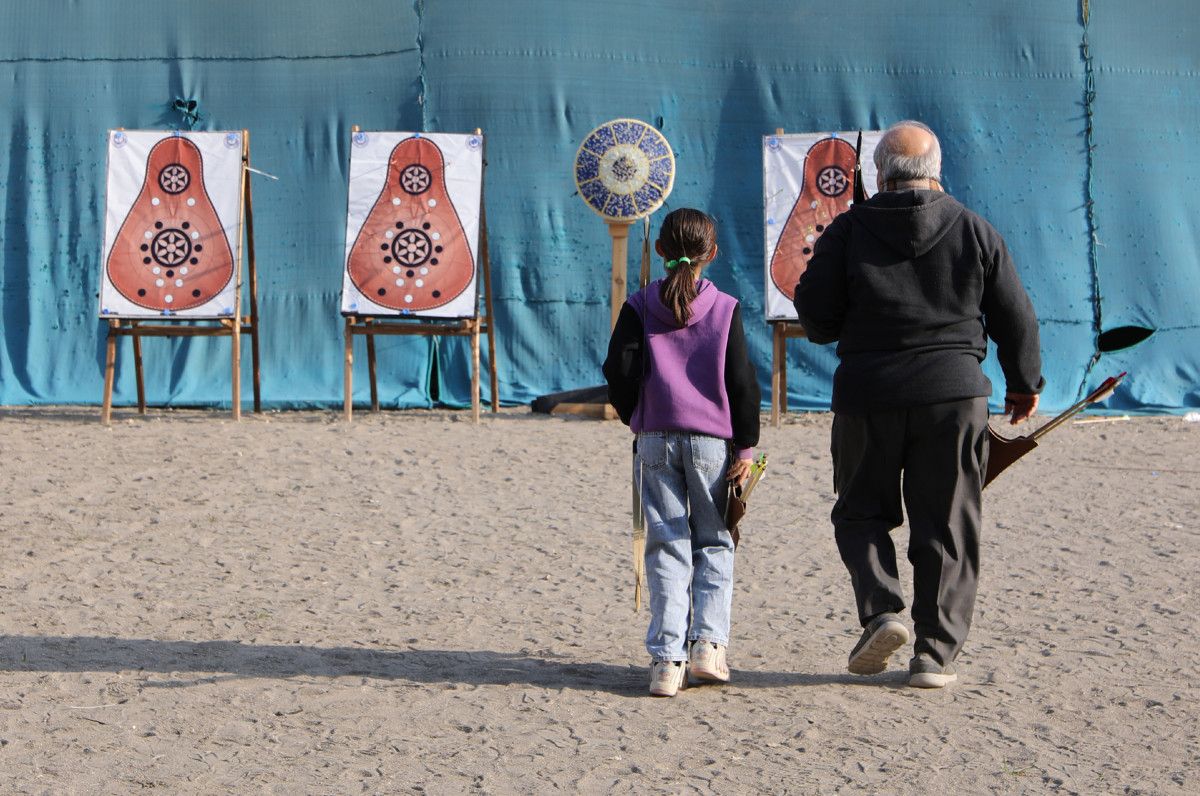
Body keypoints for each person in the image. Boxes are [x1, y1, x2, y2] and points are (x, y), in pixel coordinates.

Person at [794, 121, 1043, 688]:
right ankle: (933, 654)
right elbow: (1016, 315)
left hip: (869, 394)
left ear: (879, 174)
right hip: (954, 397)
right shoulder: (974, 228)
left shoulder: (848, 229)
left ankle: (882, 610)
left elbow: (816, 318)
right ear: (937, 171)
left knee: (860, 513)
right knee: (947, 522)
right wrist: (1023, 384)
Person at [603, 208, 761, 697]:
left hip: (655, 438)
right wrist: (746, 446)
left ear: (660, 251)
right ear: (712, 253)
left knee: (666, 544)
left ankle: (666, 662)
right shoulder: (725, 307)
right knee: (715, 541)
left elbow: (618, 370)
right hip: (713, 443)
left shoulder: (639, 304)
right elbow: (742, 381)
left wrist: (635, 415)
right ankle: (708, 647)